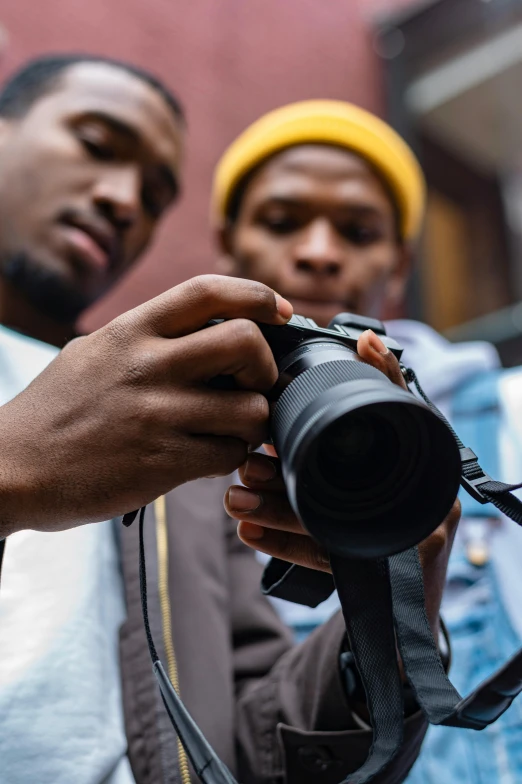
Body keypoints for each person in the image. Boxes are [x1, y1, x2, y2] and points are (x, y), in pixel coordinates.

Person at [0, 59, 455, 784]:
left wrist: (392, 616)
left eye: (155, 195)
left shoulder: (167, 428)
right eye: (96, 143)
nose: (123, 201)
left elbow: (259, 755)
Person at [211, 100, 522, 782]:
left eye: (357, 230)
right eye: (282, 222)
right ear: (227, 247)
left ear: (400, 263)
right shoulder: (181, 461)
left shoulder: (505, 414)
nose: (319, 253)